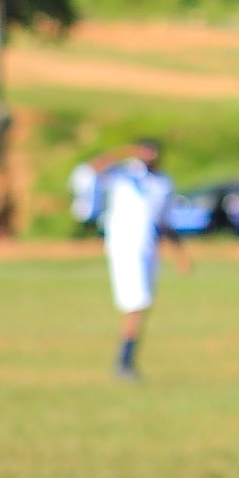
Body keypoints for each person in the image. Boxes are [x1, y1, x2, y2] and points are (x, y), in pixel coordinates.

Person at [96, 139, 192, 381]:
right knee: (136, 304)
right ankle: (124, 364)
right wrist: (125, 151)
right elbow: (95, 168)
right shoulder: (124, 175)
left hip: (150, 248)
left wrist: (179, 254)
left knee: (142, 304)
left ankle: (126, 361)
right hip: (125, 248)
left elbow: (164, 220)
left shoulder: (163, 183)